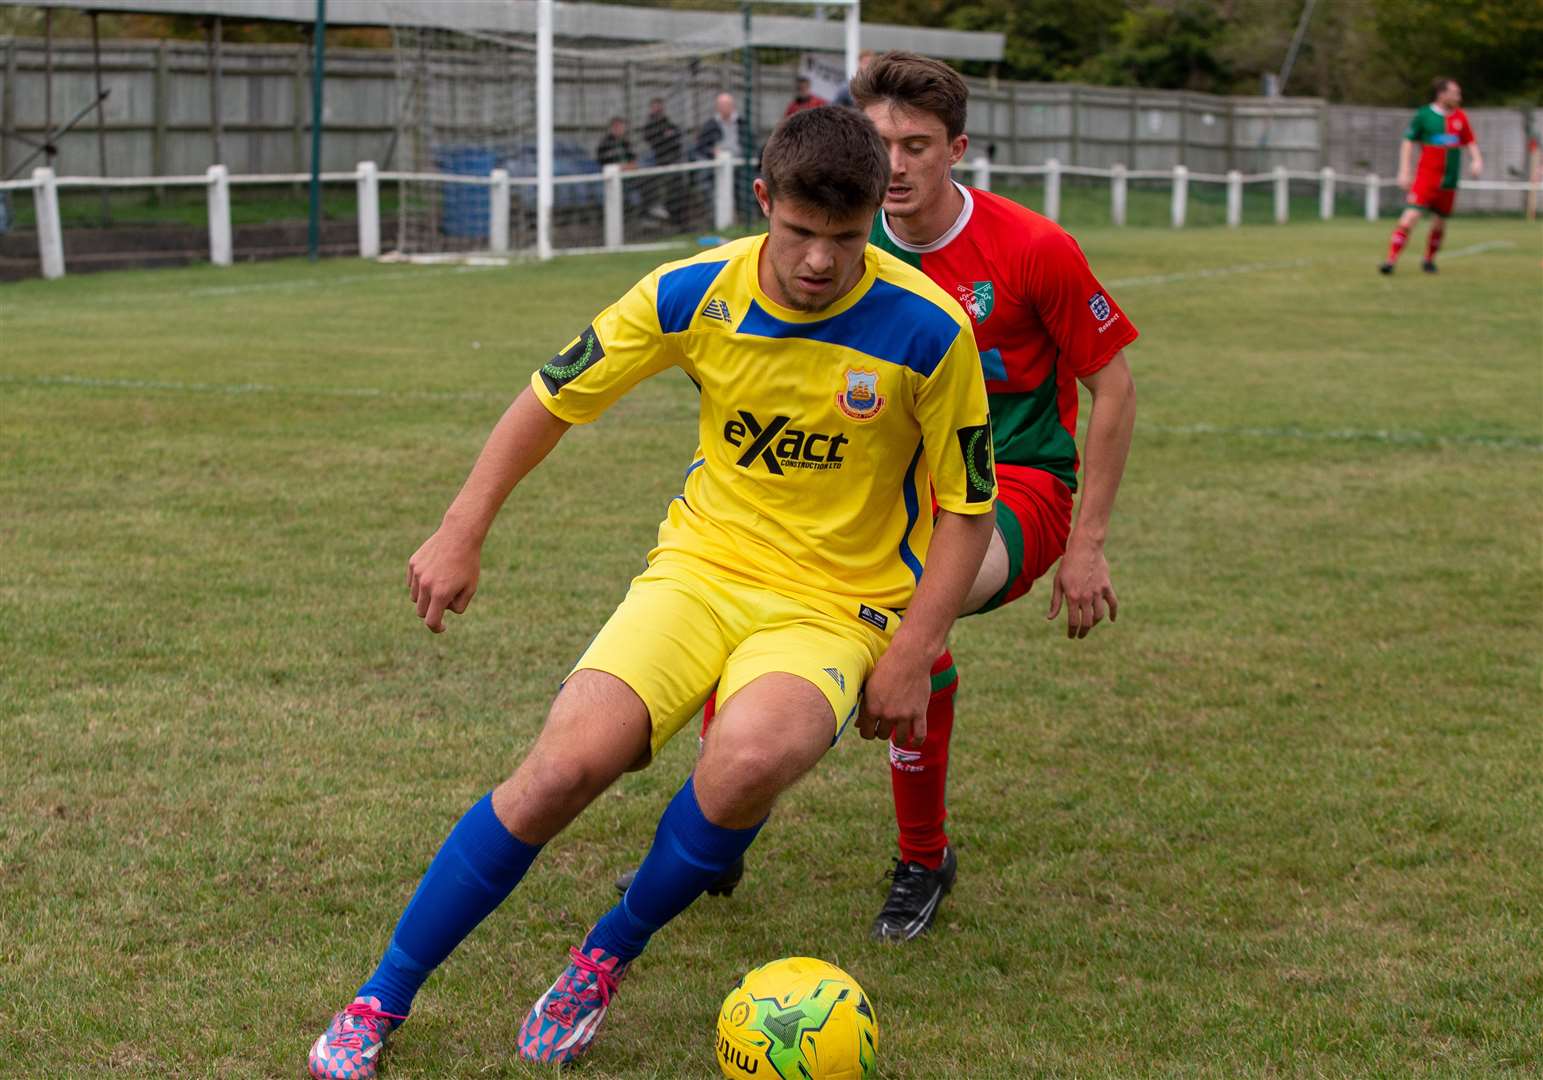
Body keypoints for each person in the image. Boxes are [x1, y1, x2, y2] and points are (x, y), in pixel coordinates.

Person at [305, 105, 997, 1079]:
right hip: (700, 574)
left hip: (835, 607)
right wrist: (460, 529)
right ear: (763, 204)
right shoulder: (688, 293)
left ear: (873, 220)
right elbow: (552, 395)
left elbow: (967, 508)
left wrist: (914, 650)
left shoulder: (928, 328)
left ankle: (603, 955)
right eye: (798, 235)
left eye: (843, 242)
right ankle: (382, 994)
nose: (816, 263)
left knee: (748, 759)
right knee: (561, 768)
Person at [618, 51, 1140, 941]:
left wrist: (1087, 543)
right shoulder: (842, 234)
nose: (894, 163)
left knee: (904, 610)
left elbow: (1114, 386)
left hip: (1011, 489)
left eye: (917, 144)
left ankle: (922, 855)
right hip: (879, 489)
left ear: (957, 150)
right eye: (880, 142)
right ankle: (727, 807)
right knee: (758, 587)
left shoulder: (1033, 248)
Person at [1380, 77, 1483, 275]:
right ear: (1442, 94)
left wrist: (1477, 160)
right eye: (1455, 93)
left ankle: (1429, 260)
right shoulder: (1424, 115)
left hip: (1449, 180)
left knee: (1440, 222)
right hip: (1426, 179)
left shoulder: (1460, 117)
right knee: (1410, 217)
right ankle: (1390, 260)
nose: (1459, 97)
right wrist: (1404, 169)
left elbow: (1470, 141)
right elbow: (1408, 141)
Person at [640, 96, 686, 222]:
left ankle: (678, 217)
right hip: (657, 161)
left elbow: (676, 136)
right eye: (655, 107)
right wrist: (665, 136)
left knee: (678, 185)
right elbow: (655, 140)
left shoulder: (668, 122)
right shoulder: (649, 126)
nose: (658, 109)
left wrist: (668, 137)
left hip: (673, 159)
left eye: (660, 106)